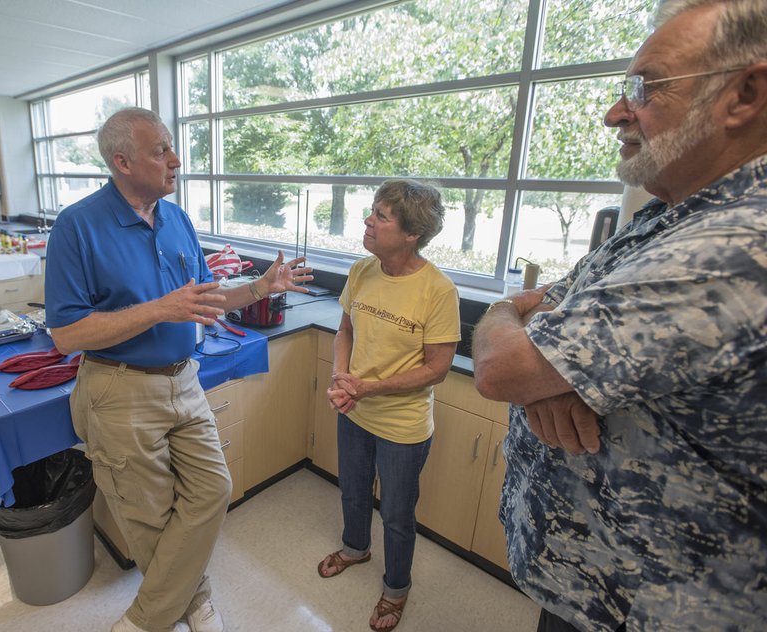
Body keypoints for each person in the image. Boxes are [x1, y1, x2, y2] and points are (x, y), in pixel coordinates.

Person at [472, 1, 767, 631]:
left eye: (646, 88)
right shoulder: (670, 218)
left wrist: (511, 320)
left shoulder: (737, 245)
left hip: (654, 605)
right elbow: (556, 305)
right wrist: (549, 379)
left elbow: (502, 366)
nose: (615, 114)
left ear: (744, 94)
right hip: (594, 585)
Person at [44, 107, 313, 632]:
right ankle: (196, 602)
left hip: (182, 379)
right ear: (121, 161)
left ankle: (147, 618)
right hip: (118, 387)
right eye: (160, 150)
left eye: (171, 147)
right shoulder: (77, 227)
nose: (176, 160)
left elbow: (205, 301)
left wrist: (260, 287)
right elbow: (66, 335)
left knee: (213, 489)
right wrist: (159, 309)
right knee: (150, 516)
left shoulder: (177, 219)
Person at [317, 179, 460, 631]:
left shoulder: (438, 290)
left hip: (403, 425)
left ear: (411, 233)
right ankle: (356, 548)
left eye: (381, 216)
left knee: (397, 514)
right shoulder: (363, 271)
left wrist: (366, 388)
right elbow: (346, 331)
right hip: (355, 410)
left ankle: (396, 589)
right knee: (353, 490)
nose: (368, 221)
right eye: (371, 212)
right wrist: (342, 378)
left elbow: (437, 368)